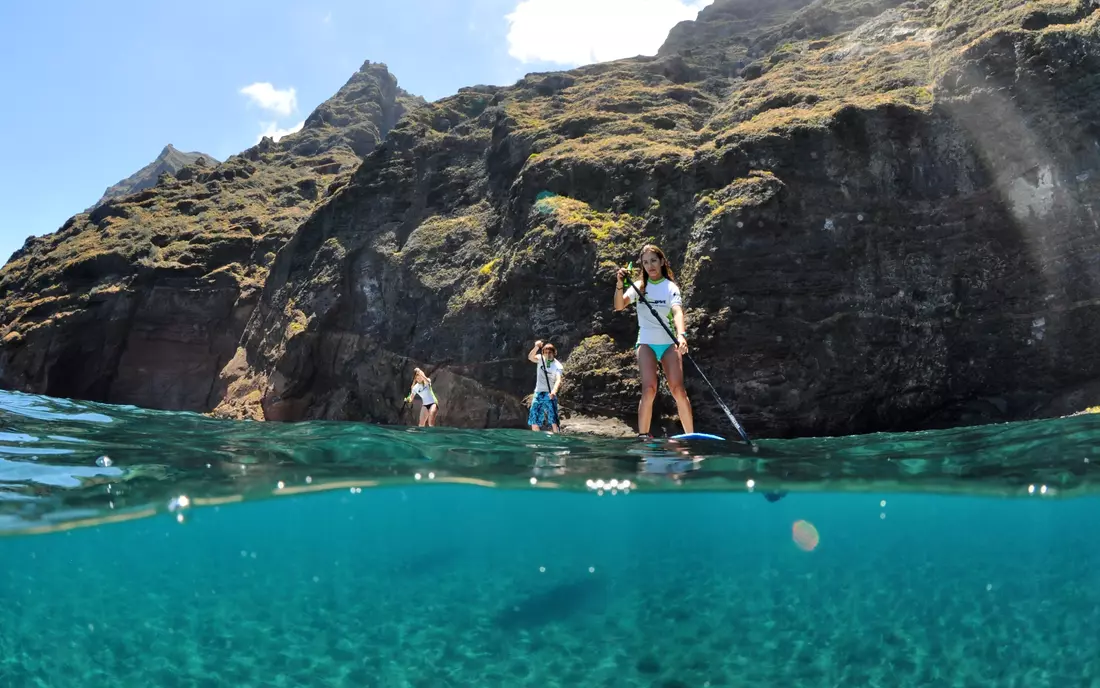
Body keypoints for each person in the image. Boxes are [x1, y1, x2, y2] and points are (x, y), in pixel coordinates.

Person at [614, 244, 694, 438]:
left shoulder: (670, 287)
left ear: (662, 262)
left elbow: (677, 312)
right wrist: (619, 283)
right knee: (649, 389)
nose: (650, 266)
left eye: (654, 261)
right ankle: (643, 436)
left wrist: (681, 335)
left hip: (668, 343)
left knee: (678, 390)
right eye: (646, 262)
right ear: (642, 265)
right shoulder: (639, 287)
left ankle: (691, 436)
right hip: (646, 343)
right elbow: (618, 306)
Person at [527, 340, 564, 432]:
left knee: (553, 419)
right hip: (538, 392)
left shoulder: (557, 365)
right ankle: (537, 438)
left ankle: (556, 436)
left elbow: (558, 380)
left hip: (549, 393)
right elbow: (530, 357)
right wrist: (536, 347)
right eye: (546, 353)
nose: (548, 355)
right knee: (534, 418)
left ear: (554, 353)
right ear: (543, 353)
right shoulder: (540, 359)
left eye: (550, 353)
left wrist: (554, 391)